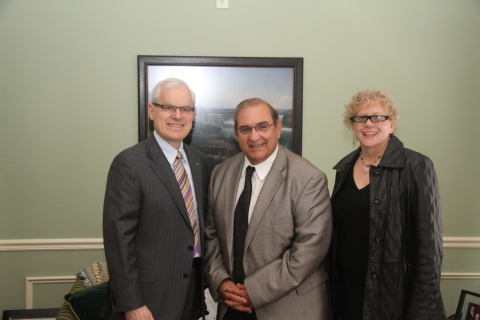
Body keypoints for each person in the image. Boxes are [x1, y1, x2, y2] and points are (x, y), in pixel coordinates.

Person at [204, 98, 332, 320]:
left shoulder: (309, 179)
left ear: (278, 128)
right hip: (232, 305)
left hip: (289, 308)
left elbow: (309, 251)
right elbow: (210, 234)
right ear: (236, 133)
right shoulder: (220, 174)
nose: (254, 136)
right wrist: (220, 281)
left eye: (262, 126)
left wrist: (254, 291)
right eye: (245, 129)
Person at [331, 89, 445, 319]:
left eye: (378, 117)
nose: (368, 124)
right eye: (361, 118)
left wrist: (420, 312)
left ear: (391, 124)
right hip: (347, 293)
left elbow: (429, 251)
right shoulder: (343, 169)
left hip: (394, 298)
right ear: (352, 126)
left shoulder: (417, 166)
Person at [103, 78, 210, 320]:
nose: (178, 115)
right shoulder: (130, 163)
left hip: (191, 294)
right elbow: (119, 240)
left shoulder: (199, 162)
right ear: (152, 111)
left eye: (186, 109)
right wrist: (132, 304)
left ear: (193, 115)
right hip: (148, 299)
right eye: (169, 107)